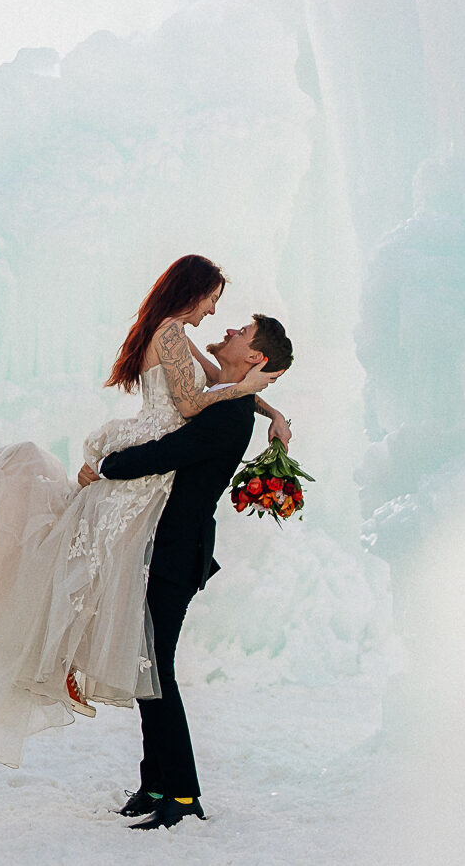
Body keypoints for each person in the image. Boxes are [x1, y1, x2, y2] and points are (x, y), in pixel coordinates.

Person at [0, 255, 289, 768]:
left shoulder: (179, 337)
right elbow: (191, 404)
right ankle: (65, 661)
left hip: (158, 461)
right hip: (150, 448)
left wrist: (270, 407)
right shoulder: (169, 334)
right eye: (213, 298)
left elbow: (215, 388)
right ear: (194, 291)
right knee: (91, 555)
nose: (216, 311)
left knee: (105, 564)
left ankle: (73, 663)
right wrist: (246, 391)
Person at [77, 313, 294, 829]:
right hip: (169, 547)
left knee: (157, 669)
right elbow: (201, 381)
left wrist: (104, 467)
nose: (227, 330)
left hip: (178, 552)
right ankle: (155, 784)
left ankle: (182, 795)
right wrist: (273, 408)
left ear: (255, 357)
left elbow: (167, 453)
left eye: (241, 332)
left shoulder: (229, 413)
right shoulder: (228, 399)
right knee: (146, 666)